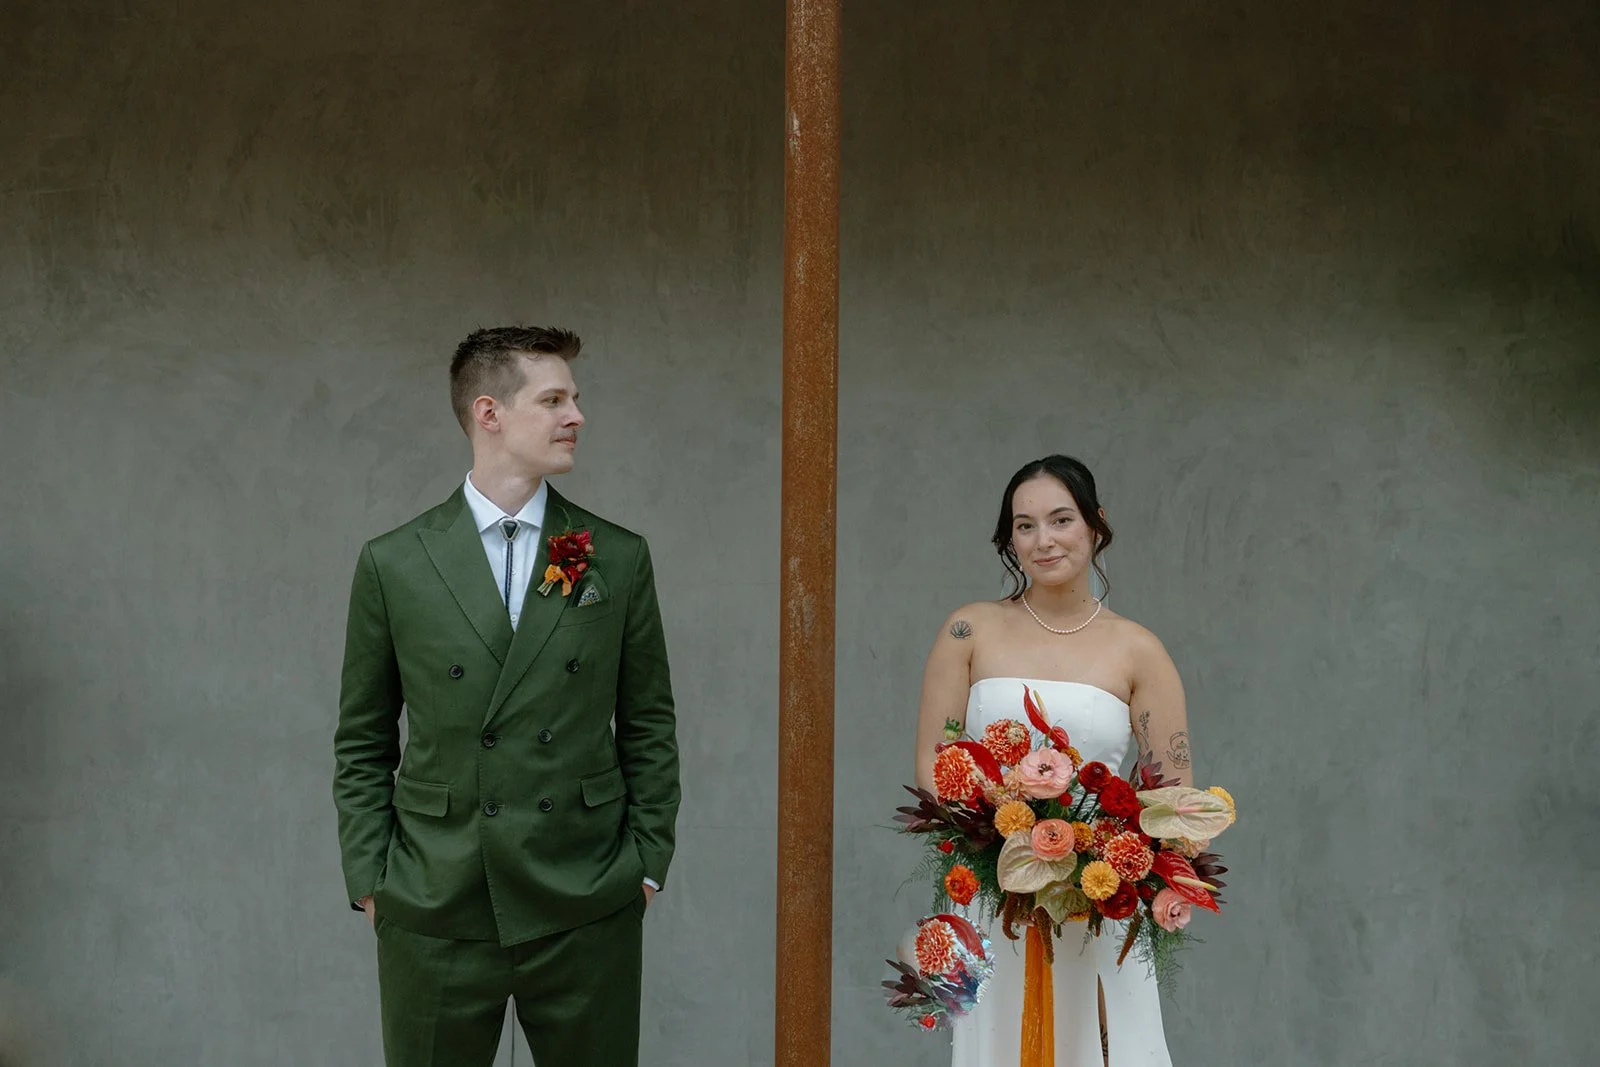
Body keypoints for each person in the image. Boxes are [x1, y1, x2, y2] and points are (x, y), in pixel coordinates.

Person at [333, 326, 681, 1067]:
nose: (576, 415)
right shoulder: (394, 563)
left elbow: (649, 723)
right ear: (488, 413)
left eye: (575, 398)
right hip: (436, 896)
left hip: (586, 892)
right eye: (553, 399)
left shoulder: (615, 555)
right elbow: (363, 739)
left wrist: (644, 865)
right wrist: (372, 879)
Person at [914, 455, 1190, 1067]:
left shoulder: (1138, 650)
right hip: (995, 891)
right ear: (1008, 538)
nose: (1044, 540)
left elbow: (1172, 796)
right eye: (1025, 525)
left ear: (1096, 524)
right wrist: (1008, 826)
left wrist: (1097, 857)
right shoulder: (969, 631)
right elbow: (937, 771)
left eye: (1061, 519)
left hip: (1098, 900)